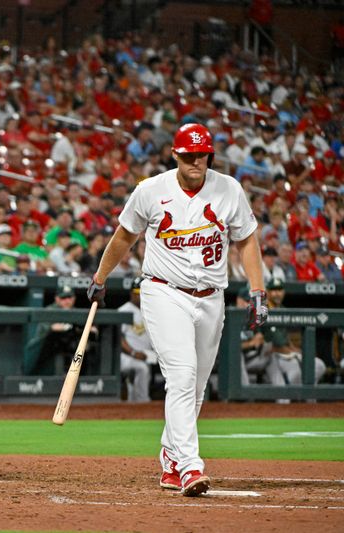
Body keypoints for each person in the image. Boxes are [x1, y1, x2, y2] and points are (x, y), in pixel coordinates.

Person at [87, 123, 267, 497]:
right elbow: (124, 236)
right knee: (182, 376)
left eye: (201, 155)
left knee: (197, 386)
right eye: (188, 155)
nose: (195, 161)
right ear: (175, 155)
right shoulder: (150, 190)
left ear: (209, 155)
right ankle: (190, 466)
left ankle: (170, 457)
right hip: (163, 291)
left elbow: (247, 240)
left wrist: (257, 290)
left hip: (212, 295)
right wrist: (101, 276)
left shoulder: (229, 189)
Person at [260, 278, 327, 386]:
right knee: (296, 372)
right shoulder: (263, 311)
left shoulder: (283, 309)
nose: (277, 294)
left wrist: (298, 352)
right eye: (274, 290)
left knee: (319, 365)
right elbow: (272, 345)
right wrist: (293, 353)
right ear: (267, 292)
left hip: (288, 355)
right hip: (274, 357)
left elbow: (286, 340)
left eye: (280, 290)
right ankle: (294, 395)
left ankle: (306, 398)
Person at [118, 277, 155, 402]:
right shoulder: (125, 310)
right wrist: (133, 353)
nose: (141, 296)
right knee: (142, 369)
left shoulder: (151, 310)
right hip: (126, 356)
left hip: (147, 355)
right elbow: (119, 337)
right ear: (131, 293)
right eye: (138, 293)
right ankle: (143, 402)